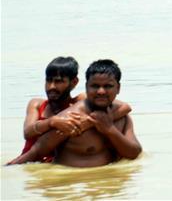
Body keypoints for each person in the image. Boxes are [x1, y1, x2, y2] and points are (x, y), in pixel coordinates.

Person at [8, 60, 142, 167]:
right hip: (73, 186)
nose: (101, 91)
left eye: (108, 86)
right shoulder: (70, 119)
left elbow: (135, 153)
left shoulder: (122, 116)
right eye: (95, 86)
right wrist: (8, 170)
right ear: (86, 87)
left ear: (118, 88)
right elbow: (36, 152)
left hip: (110, 188)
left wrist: (110, 130)